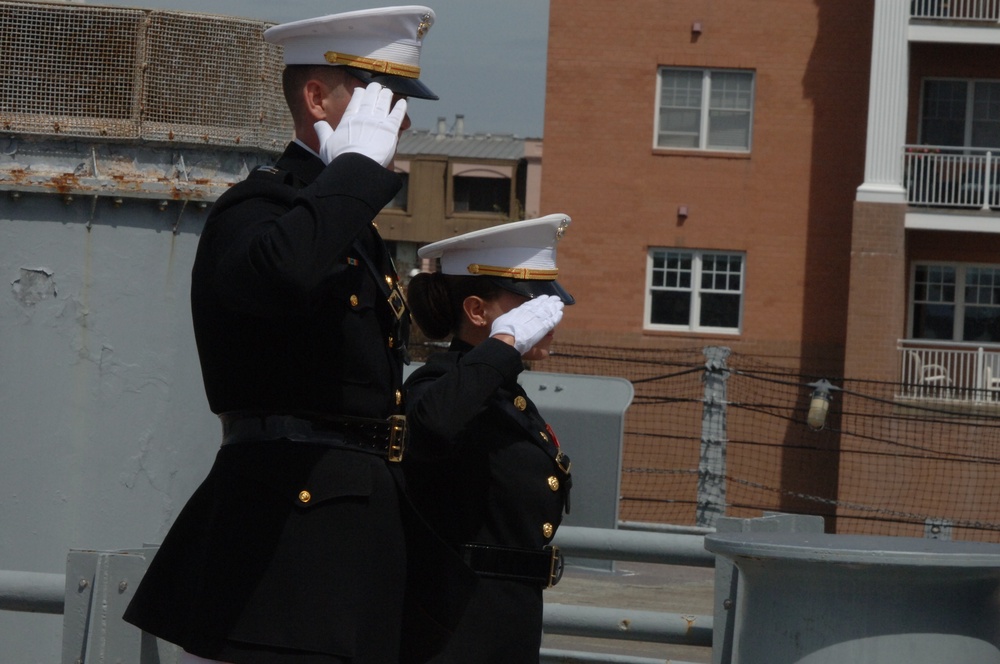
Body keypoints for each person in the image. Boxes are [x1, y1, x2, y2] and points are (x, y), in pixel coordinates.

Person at [122, 7, 440, 663]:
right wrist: (352, 171)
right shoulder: (259, 208)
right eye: (384, 97)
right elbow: (280, 275)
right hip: (287, 545)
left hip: (355, 532)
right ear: (319, 98)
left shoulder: (344, 223)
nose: (401, 120)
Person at [402, 214, 575, 663]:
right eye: (527, 302)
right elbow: (434, 425)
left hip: (506, 622)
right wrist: (503, 345)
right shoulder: (440, 385)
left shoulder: (503, 395)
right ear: (477, 311)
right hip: (455, 628)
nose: (546, 315)